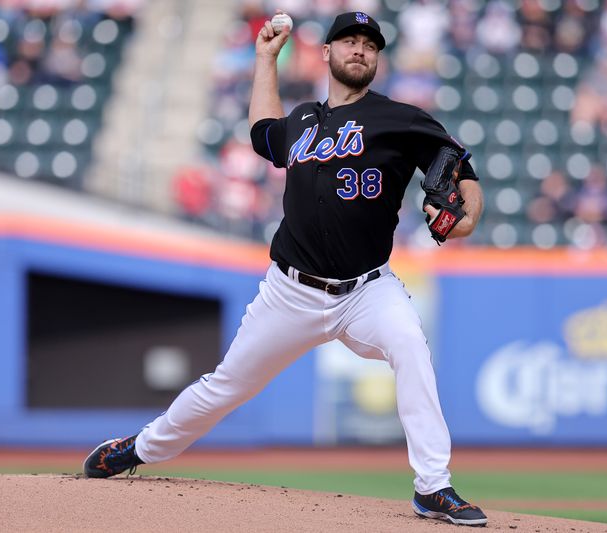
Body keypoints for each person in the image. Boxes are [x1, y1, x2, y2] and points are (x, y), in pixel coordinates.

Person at [82, 10, 486, 528]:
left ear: (378, 58)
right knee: (224, 385)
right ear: (327, 53)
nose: (359, 49)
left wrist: (466, 218)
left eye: (369, 43)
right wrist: (266, 58)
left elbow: (461, 171)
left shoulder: (402, 119)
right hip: (289, 293)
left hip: (366, 290)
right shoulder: (300, 120)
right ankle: (139, 449)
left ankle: (434, 487)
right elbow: (262, 134)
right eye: (349, 41)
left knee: (410, 345)